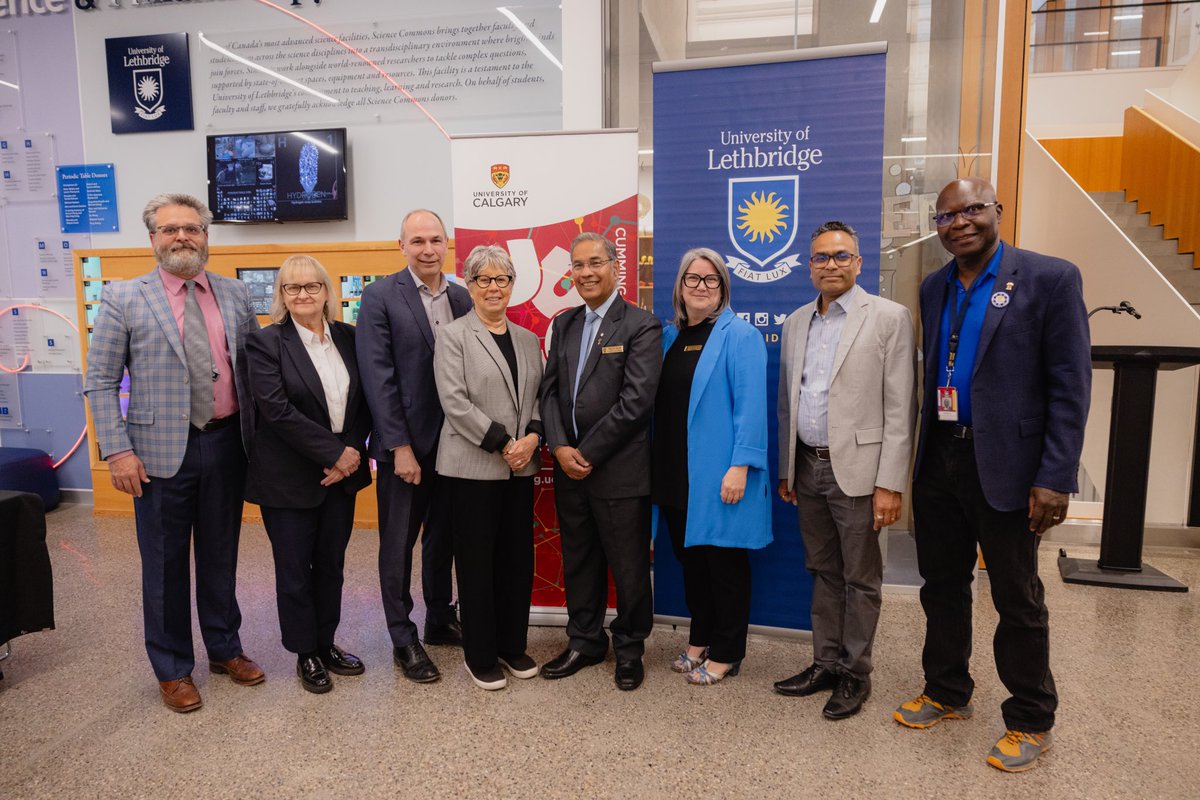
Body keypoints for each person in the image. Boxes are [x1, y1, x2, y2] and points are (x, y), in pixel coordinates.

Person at [893, 178, 1091, 772]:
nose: (960, 222)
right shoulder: (934, 287)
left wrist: (1055, 476)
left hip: (1009, 466)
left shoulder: (1050, 278)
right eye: (947, 215)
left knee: (1016, 597)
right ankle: (948, 691)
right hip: (941, 460)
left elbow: (1070, 387)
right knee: (941, 586)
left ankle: (1031, 718)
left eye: (972, 210)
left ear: (997, 211)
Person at [84, 193, 263, 712]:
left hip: (227, 444)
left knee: (221, 556)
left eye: (192, 228)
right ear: (153, 239)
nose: (182, 237)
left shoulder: (233, 294)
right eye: (170, 230)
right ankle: (172, 668)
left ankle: (225, 649)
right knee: (163, 566)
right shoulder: (123, 297)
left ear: (207, 236)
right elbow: (99, 381)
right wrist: (116, 451)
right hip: (157, 454)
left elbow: (252, 371)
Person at [774, 221, 916, 719]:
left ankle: (856, 675)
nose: (830, 265)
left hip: (859, 471)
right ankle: (825, 663)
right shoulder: (796, 322)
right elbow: (789, 403)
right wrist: (788, 467)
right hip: (808, 467)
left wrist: (890, 483)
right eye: (820, 257)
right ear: (809, 266)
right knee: (822, 571)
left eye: (840, 256)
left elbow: (901, 408)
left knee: (861, 578)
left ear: (858, 262)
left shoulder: (889, 318)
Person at [539, 232, 662, 690]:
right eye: (578, 265)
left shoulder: (641, 325)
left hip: (618, 472)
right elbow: (549, 391)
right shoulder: (565, 323)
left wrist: (585, 453)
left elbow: (636, 403)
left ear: (616, 267)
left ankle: (629, 649)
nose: (586, 273)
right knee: (579, 560)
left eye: (595, 263)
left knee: (629, 567)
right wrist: (558, 447)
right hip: (569, 469)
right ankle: (584, 641)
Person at [244, 255, 372, 694]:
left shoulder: (350, 338)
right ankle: (306, 653)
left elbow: (366, 400)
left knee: (331, 566)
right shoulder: (265, 344)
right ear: (281, 295)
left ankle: (327, 641)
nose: (302, 295)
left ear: (326, 291)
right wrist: (335, 453)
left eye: (311, 286)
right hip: (290, 477)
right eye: (292, 288)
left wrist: (350, 453)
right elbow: (276, 410)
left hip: (343, 473)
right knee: (295, 569)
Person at [357, 209, 471, 683]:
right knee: (398, 545)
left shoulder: (463, 296)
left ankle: (440, 618)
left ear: (447, 245)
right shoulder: (380, 296)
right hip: (407, 448)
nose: (428, 249)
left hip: (457, 446)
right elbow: (378, 377)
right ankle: (403, 636)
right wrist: (399, 446)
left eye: (436, 240)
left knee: (443, 538)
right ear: (401, 246)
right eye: (417, 241)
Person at [652, 248, 770, 686]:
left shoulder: (739, 336)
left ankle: (727, 651)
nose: (700, 287)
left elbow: (751, 407)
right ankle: (699, 638)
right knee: (691, 564)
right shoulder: (668, 337)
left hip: (718, 474)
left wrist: (740, 465)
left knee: (725, 567)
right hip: (673, 471)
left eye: (710, 279)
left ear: (723, 287)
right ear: (680, 287)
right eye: (692, 279)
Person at [432, 245, 545, 691]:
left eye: (502, 279)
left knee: (517, 560)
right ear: (471, 286)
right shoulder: (454, 335)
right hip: (472, 467)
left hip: (520, 467)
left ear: (512, 285)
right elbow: (454, 401)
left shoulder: (527, 339)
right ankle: (479, 654)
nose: (494, 287)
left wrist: (533, 436)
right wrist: (503, 443)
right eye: (483, 279)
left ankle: (511, 645)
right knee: (477, 563)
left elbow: (537, 396)